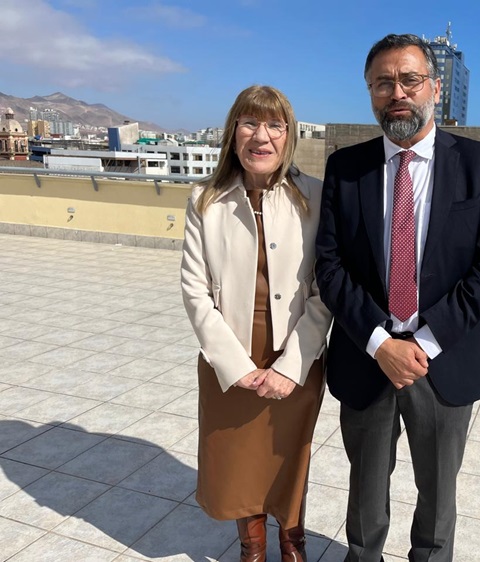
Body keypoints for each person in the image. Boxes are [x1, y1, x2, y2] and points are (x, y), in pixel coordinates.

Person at [315, 34, 480, 561]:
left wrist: (421, 343)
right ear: (370, 93)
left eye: (409, 79)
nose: (396, 92)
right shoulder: (346, 168)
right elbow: (329, 269)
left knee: (438, 498)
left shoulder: (479, 165)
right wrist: (381, 342)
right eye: (383, 83)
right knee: (365, 498)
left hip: (443, 362)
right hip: (366, 355)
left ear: (435, 88)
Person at [181, 85, 331, 562]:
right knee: (239, 459)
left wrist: (293, 365)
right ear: (233, 133)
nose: (261, 136)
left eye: (274, 125)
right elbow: (194, 290)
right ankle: (251, 547)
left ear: (288, 137)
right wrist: (233, 363)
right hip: (232, 353)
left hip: (296, 351)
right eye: (249, 123)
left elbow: (326, 288)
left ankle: (292, 543)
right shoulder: (205, 200)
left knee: (289, 456)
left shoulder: (316, 197)